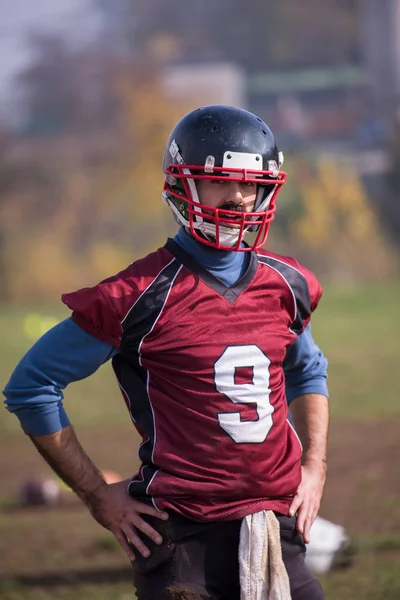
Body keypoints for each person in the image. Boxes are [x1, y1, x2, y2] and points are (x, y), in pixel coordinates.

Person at [3, 105, 329, 600]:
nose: (240, 197)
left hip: (276, 523)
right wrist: (96, 494)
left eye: (251, 184)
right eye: (220, 181)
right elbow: (32, 387)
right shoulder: (136, 295)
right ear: (182, 186)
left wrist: (315, 466)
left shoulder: (286, 282)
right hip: (181, 534)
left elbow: (308, 370)